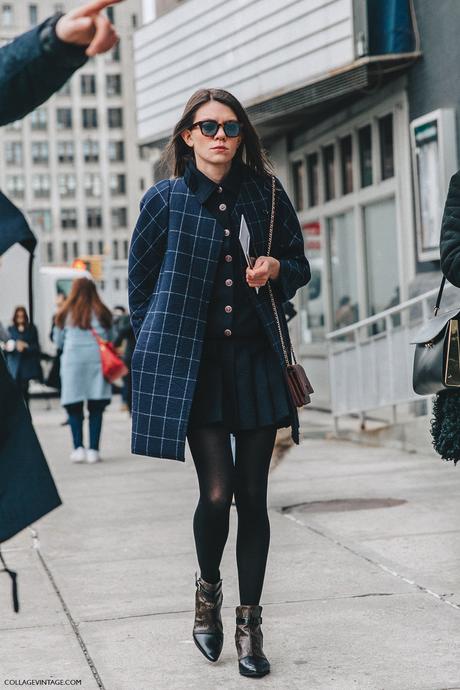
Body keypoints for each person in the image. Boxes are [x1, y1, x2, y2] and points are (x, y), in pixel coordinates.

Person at [128, 88, 311, 678]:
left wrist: (277, 268)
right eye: (207, 128)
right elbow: (140, 289)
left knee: (254, 499)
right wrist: (158, 350)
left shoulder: (265, 193)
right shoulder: (165, 201)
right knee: (216, 493)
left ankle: (250, 625)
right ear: (187, 136)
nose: (220, 138)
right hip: (197, 369)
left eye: (230, 128)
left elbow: (298, 263)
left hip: (257, 363)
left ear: (241, 136)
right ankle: (207, 593)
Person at [53, 278, 113, 464]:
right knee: (96, 407)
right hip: (96, 362)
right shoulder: (102, 312)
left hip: (73, 363)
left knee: (74, 407)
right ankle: (93, 450)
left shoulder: (64, 313)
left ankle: (78, 448)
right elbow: (110, 337)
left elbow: (58, 342)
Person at [4, 306, 42, 408]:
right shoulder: (10, 330)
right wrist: (14, 346)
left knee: (25, 393)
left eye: (22, 316)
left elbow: (36, 347)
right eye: (18, 316)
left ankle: (26, 416)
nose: (20, 318)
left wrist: (26, 346)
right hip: (14, 367)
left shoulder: (31, 329)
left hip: (26, 367)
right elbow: (6, 346)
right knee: (14, 394)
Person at [112, 306, 135, 413]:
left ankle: (130, 408)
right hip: (131, 357)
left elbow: (121, 333)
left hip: (130, 357)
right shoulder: (133, 319)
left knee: (129, 384)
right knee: (129, 384)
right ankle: (130, 408)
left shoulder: (131, 319)